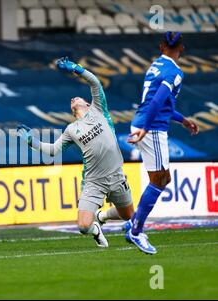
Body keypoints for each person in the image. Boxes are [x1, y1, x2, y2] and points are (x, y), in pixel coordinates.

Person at [18, 57, 134, 248]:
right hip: (93, 182)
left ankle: (102, 215)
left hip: (116, 175)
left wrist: (75, 68)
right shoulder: (72, 130)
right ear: (72, 111)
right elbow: (54, 150)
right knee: (83, 226)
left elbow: (95, 82)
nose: (73, 98)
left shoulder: (98, 109)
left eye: (77, 97)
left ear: (88, 104)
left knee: (129, 216)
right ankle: (96, 229)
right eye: (71, 101)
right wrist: (33, 142)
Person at [126, 32, 199, 254]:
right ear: (182, 48)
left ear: (161, 46)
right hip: (152, 128)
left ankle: (134, 221)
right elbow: (157, 100)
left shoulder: (155, 66)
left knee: (162, 178)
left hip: (144, 123)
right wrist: (147, 129)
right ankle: (136, 231)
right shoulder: (175, 72)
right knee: (159, 181)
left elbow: (162, 104)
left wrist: (183, 120)